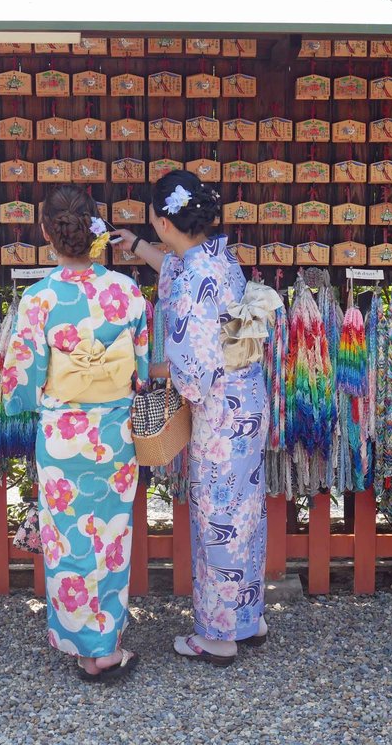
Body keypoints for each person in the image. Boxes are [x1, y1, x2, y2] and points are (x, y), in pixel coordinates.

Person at [114, 170, 281, 666]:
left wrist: (145, 365)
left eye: (153, 227)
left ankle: (218, 636)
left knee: (218, 518)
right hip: (248, 398)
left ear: (165, 222)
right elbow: (174, 270)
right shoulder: (219, 258)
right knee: (245, 512)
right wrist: (140, 246)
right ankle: (248, 617)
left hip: (220, 413)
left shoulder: (190, 280)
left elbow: (192, 376)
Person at [4, 185, 149, 682]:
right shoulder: (126, 292)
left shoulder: (39, 298)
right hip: (114, 434)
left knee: (67, 539)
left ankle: (86, 646)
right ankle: (105, 645)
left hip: (64, 437)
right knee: (111, 536)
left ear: (46, 233)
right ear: (96, 231)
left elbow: (20, 382)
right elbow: (143, 370)